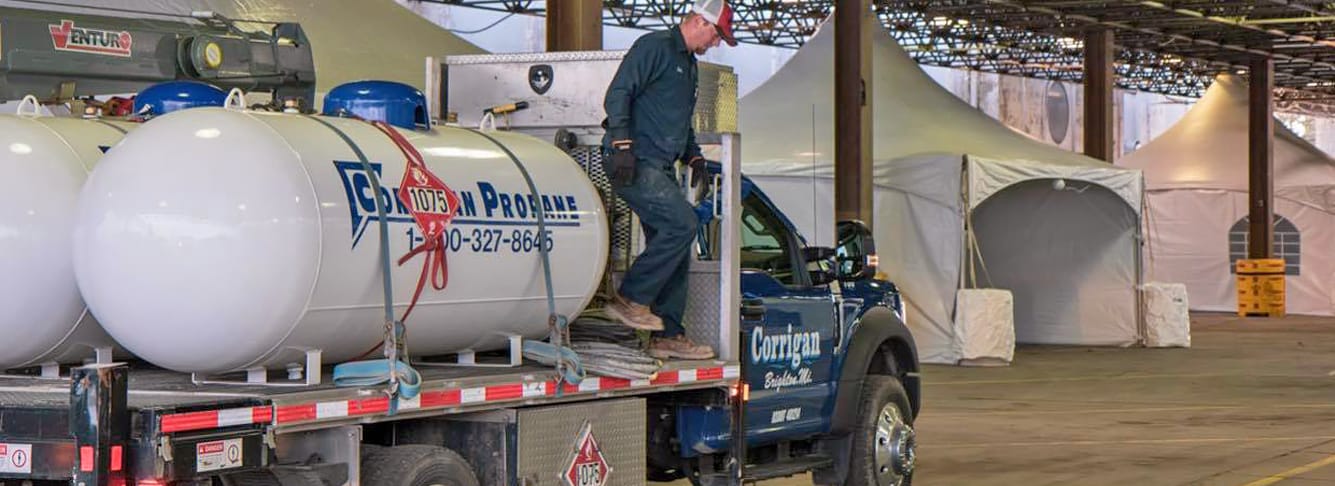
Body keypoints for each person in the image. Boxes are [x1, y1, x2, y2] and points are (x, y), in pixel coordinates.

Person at [600, 0, 737, 360]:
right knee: (683, 225)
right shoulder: (655, 47)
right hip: (634, 160)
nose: (717, 43)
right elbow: (618, 94)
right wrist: (621, 143)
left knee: (674, 239)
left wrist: (693, 155)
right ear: (697, 21)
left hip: (659, 164)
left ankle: (668, 334)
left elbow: (680, 121)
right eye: (717, 34)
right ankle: (630, 298)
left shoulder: (689, 65)